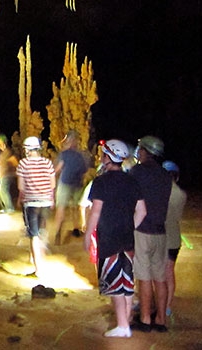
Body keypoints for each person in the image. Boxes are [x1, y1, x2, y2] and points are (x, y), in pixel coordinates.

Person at [84, 139, 147, 338]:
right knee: (127, 282)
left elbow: (95, 212)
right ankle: (125, 321)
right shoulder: (132, 181)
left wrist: (88, 235)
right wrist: (130, 226)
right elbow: (142, 211)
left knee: (114, 284)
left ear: (108, 158)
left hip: (108, 237)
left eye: (103, 155)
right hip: (127, 238)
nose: (101, 158)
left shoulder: (101, 182)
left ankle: (122, 326)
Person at [129, 135, 173, 333]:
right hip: (160, 232)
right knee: (160, 278)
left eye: (140, 148)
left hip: (142, 230)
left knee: (144, 277)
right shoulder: (165, 175)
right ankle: (161, 320)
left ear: (145, 151)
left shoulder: (136, 172)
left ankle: (146, 319)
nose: (138, 151)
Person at [16, 136, 56, 276]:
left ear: (27, 149)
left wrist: (20, 199)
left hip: (31, 202)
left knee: (33, 235)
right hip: (46, 201)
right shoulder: (47, 163)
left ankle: (38, 268)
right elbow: (53, 184)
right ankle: (41, 256)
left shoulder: (23, 164)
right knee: (41, 230)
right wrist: (51, 198)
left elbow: (21, 186)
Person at [53, 129, 88, 244]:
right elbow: (84, 171)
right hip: (77, 184)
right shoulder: (80, 156)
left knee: (61, 209)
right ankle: (76, 229)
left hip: (65, 183)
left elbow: (58, 168)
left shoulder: (64, 154)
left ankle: (58, 232)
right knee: (75, 208)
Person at [163, 160, 187, 317]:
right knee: (169, 272)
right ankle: (167, 305)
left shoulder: (157, 193)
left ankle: (150, 302)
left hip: (158, 236)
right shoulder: (181, 194)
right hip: (173, 238)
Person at [0, 134, 18, 213]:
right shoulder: (2, 153)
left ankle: (10, 208)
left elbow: (14, 160)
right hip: (2, 175)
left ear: (4, 141)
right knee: (1, 191)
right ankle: (5, 208)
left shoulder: (8, 151)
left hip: (7, 174)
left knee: (3, 190)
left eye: (0, 142)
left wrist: (17, 170)